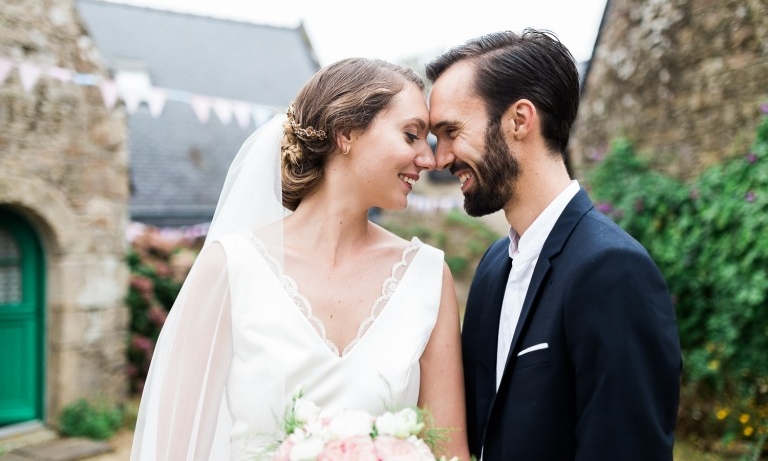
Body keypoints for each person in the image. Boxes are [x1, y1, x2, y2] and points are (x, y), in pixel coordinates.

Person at [131, 58, 471, 460]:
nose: (429, 160)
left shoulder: (428, 276)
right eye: (411, 135)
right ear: (346, 132)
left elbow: (449, 452)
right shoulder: (230, 267)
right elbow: (173, 446)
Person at [426, 29, 682, 460]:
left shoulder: (613, 271)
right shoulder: (492, 268)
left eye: (451, 131)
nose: (440, 158)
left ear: (520, 120)